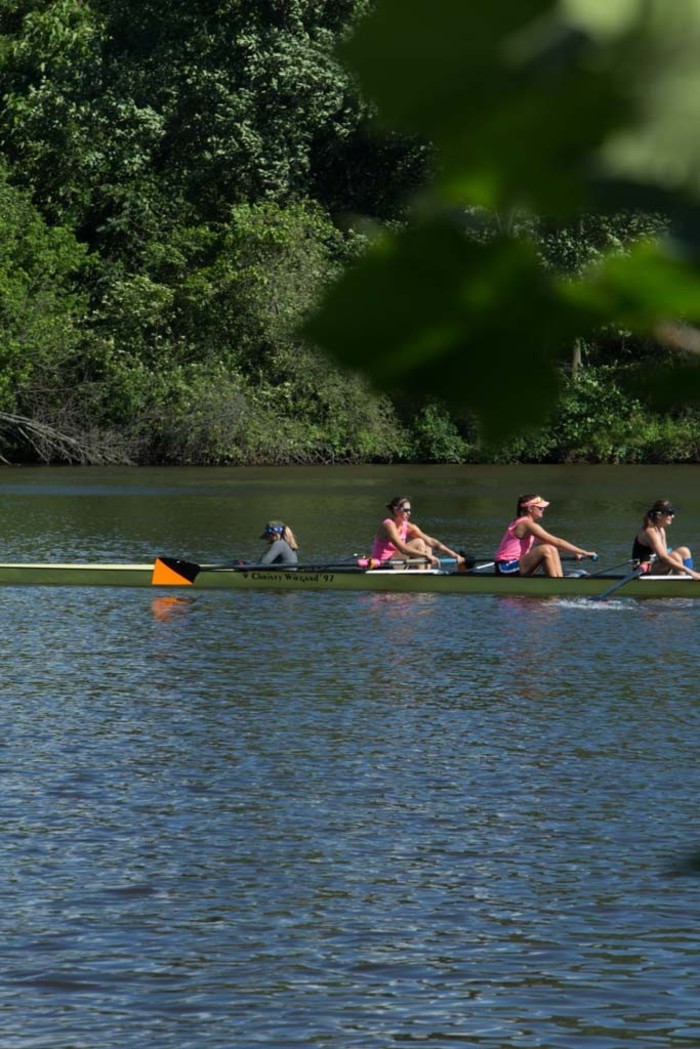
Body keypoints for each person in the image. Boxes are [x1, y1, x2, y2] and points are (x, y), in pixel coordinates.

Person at [494, 494, 597, 577]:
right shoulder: (526, 524)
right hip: (505, 567)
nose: (543, 509)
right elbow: (557, 541)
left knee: (551, 548)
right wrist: (584, 552)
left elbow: (555, 545)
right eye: (540, 508)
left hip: (517, 564)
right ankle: (557, 585)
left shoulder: (528, 524)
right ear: (530, 508)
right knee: (546, 549)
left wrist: (574, 552)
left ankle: (558, 580)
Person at [371, 497, 464, 568]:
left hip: (398, 562)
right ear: (396, 510)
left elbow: (431, 541)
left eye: (410, 510)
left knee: (427, 545)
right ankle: (421, 578)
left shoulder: (408, 526)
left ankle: (426, 575)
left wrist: (453, 554)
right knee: (419, 542)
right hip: (384, 564)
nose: (409, 513)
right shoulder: (388, 525)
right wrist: (427, 556)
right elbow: (403, 549)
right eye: (406, 510)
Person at [632, 500, 700, 578]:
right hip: (643, 571)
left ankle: (689, 578)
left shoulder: (661, 530)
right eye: (670, 513)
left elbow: (665, 555)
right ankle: (685, 582)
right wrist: (690, 571)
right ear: (659, 515)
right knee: (675, 557)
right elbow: (664, 558)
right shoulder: (650, 531)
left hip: (655, 565)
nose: (673, 516)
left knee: (684, 550)